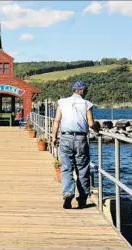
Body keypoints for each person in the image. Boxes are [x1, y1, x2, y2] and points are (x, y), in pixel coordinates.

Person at [51, 80, 99, 209]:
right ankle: (82, 198)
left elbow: (57, 121)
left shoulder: (62, 102)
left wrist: (54, 136)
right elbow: (91, 123)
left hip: (65, 137)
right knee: (82, 169)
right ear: (82, 91)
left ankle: (68, 193)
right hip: (80, 138)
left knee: (66, 168)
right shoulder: (87, 104)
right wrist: (97, 128)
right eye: (86, 90)